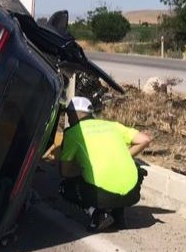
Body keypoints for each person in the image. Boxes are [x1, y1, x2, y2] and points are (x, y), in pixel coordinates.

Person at [59, 96, 152, 231]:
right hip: (133, 194)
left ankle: (98, 215)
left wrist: (82, 169)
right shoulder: (113, 125)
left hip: (102, 195)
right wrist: (125, 155)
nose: (68, 119)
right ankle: (118, 216)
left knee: (66, 187)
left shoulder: (73, 133)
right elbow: (145, 139)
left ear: (74, 114)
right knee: (117, 174)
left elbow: (65, 172)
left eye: (68, 115)